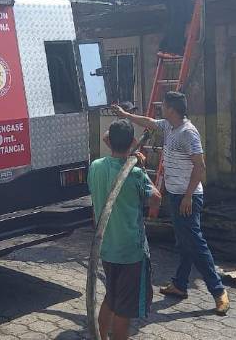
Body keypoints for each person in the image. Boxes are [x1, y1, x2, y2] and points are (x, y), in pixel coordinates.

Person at [112, 91, 230, 315]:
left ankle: (218, 291)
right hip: (175, 195)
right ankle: (180, 285)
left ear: (172, 109)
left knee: (196, 243)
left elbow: (200, 166)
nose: (161, 109)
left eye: (164, 106)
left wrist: (188, 196)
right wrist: (125, 115)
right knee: (184, 242)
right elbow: (148, 122)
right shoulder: (168, 126)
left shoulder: (188, 133)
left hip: (188, 198)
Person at [88, 119, 161, 340]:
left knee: (111, 297)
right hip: (130, 253)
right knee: (124, 309)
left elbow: (108, 138)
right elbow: (156, 199)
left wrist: (127, 150)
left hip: (106, 247)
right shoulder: (136, 174)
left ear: (110, 141)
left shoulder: (95, 167)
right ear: (132, 142)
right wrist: (141, 167)